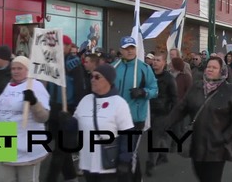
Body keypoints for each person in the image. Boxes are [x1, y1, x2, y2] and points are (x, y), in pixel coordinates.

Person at [166, 56, 232, 182]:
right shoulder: (196, 87)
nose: (210, 70)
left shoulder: (230, 90)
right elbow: (182, 108)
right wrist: (166, 123)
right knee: (201, 177)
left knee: (211, 179)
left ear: (221, 71)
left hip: (217, 149)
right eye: (208, 67)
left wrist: (223, 138)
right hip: (198, 145)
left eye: (214, 67)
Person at [59, 64, 134, 182]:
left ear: (108, 80)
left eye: (97, 77)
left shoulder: (119, 103)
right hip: (88, 162)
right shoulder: (86, 100)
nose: (93, 80)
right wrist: (65, 120)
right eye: (92, 77)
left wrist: (124, 160)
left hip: (108, 164)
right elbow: (74, 126)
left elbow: (128, 134)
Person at [0, 56, 50, 182]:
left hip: (26, 143)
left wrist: (34, 102)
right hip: (2, 141)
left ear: (28, 69)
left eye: (20, 68)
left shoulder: (35, 86)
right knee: (2, 179)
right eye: (13, 68)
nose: (15, 71)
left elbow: (43, 118)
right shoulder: (8, 84)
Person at [112, 36, 158, 180]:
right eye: (126, 48)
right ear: (121, 50)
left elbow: (155, 90)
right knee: (124, 151)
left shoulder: (144, 68)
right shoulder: (114, 67)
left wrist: (143, 92)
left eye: (132, 48)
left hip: (135, 118)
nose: (130, 51)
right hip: (116, 118)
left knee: (130, 152)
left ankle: (134, 178)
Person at [46, 35, 87, 182]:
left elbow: (79, 90)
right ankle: (71, 177)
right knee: (62, 148)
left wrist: (75, 113)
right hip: (53, 110)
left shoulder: (74, 64)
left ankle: (50, 179)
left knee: (59, 151)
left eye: (64, 45)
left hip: (68, 110)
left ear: (69, 47)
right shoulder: (50, 62)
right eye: (58, 45)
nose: (60, 48)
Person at [146, 53, 178, 176]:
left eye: (158, 60)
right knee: (158, 136)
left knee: (154, 138)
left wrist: (174, 115)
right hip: (149, 111)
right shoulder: (149, 76)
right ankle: (163, 154)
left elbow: (175, 98)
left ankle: (150, 164)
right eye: (154, 60)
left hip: (162, 112)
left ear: (164, 63)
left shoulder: (169, 78)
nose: (155, 62)